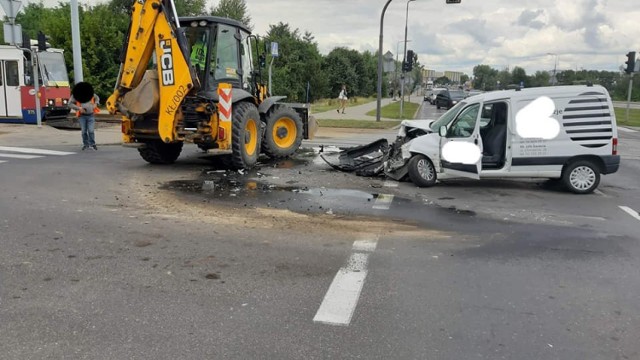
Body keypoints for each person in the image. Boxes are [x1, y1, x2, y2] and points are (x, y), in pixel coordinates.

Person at [68, 82, 101, 150]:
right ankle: (86, 144)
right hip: (82, 116)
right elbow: (69, 104)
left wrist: (96, 103)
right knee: (84, 131)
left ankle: (92, 144)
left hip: (91, 115)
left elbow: (97, 97)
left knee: (91, 131)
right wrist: (79, 108)